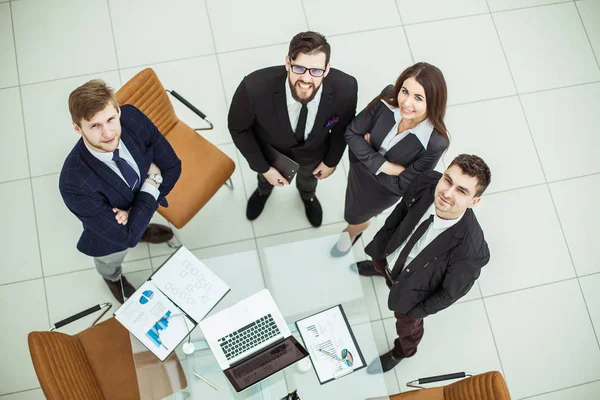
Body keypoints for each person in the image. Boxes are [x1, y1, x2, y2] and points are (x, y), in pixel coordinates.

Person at [358, 155, 491, 373]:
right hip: (389, 256)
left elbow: (449, 293)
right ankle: (382, 271)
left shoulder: (470, 251)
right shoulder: (427, 181)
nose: (447, 193)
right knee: (380, 266)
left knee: (408, 328)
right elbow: (400, 212)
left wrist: (416, 312)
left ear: (474, 201)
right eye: (448, 180)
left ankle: (402, 352)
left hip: (413, 294)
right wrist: (380, 249)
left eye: (462, 191)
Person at [59, 80, 182, 304]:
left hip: (130, 214)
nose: (107, 133)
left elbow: (173, 167)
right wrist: (152, 182)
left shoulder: (131, 117)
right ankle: (112, 278)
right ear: (78, 128)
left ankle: (142, 227)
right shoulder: (73, 183)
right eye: (94, 126)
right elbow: (126, 237)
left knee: (137, 226)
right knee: (110, 261)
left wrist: (135, 214)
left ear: (117, 110)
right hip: (109, 240)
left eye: (110, 119)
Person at [228, 31, 358, 227]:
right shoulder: (253, 87)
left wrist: (331, 162)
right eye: (299, 68)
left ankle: (308, 196)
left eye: (316, 71)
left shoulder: (346, 88)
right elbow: (238, 128)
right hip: (271, 153)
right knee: (265, 179)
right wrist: (264, 168)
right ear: (288, 63)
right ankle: (263, 191)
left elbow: (342, 129)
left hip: (315, 154)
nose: (306, 79)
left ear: (327, 69)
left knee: (309, 181)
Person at [331, 62, 449, 256]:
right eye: (405, 91)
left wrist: (367, 151)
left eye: (418, 98)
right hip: (359, 170)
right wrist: (386, 166)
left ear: (433, 103)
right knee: (352, 204)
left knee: (355, 215)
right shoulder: (389, 97)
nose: (406, 102)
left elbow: (403, 186)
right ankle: (357, 224)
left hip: (381, 191)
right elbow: (351, 132)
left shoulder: (435, 143)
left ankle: (353, 231)